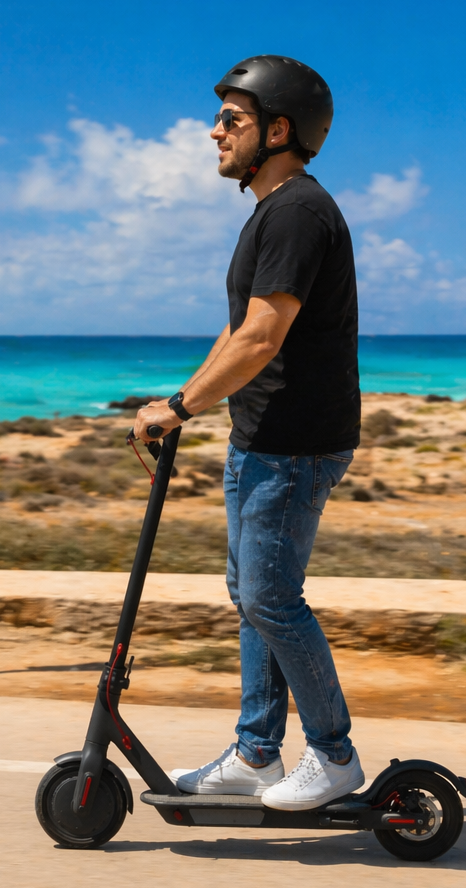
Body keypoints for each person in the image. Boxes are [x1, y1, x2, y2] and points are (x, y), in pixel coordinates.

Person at [133, 55, 362, 811]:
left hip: (295, 441)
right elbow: (236, 333)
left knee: (270, 597)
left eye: (231, 121)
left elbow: (264, 338)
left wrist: (182, 407)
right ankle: (258, 753)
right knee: (252, 594)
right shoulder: (269, 211)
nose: (214, 132)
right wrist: (180, 402)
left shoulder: (298, 211)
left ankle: (332, 755)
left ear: (278, 129)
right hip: (262, 436)